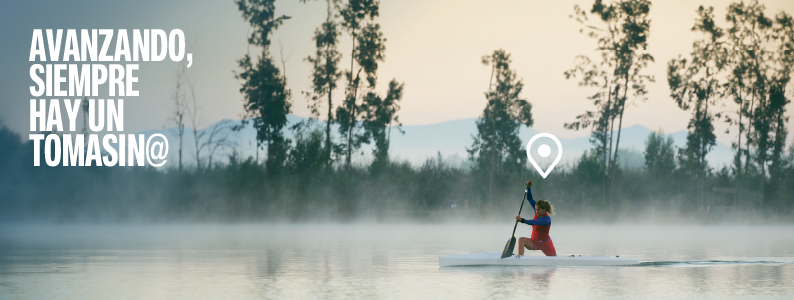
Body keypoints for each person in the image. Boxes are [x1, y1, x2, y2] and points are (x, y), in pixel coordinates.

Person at [513, 179, 557, 257]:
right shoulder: (537, 211)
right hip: (534, 242)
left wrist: (522, 220)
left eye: (538, 210)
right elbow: (529, 199)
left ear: (544, 209)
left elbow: (535, 222)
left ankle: (571, 257)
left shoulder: (546, 219)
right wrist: (529, 187)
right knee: (521, 240)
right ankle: (520, 260)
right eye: (535, 209)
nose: (536, 211)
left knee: (555, 260)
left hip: (545, 244)